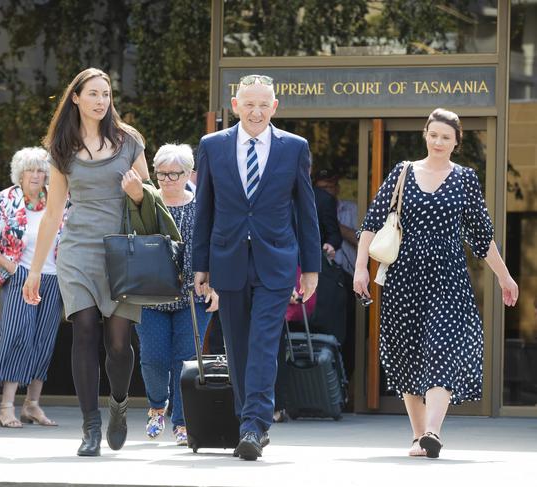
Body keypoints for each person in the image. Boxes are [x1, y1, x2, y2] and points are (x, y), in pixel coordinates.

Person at [353, 108, 519, 459]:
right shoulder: (402, 172)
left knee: (443, 348)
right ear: (425, 135)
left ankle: (432, 430)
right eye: (434, 134)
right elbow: (370, 223)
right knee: (407, 352)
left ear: (457, 142)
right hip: (404, 279)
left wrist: (504, 276)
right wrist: (360, 269)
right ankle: (418, 436)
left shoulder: (465, 179)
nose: (439, 141)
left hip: (448, 278)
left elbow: (482, 236)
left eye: (447, 137)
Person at [22, 67, 150, 456]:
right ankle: (90, 427)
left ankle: (120, 403)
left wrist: (137, 191)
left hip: (122, 250)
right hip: (78, 249)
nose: (101, 101)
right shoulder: (61, 148)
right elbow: (52, 213)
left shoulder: (129, 140)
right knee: (85, 330)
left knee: (118, 344)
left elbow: (151, 199)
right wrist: (34, 271)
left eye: (106, 94)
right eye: (93, 93)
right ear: (75, 98)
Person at [193, 74, 321, 461]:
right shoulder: (212, 146)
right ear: (235, 106)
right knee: (237, 346)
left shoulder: (293, 148)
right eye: (249, 104)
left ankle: (253, 425)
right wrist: (201, 266)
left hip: (277, 261)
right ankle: (247, 420)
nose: (256, 111)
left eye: (264, 104)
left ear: (275, 107)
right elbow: (204, 209)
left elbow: (306, 209)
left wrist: (311, 268)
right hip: (227, 259)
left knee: (264, 342)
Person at [135, 143, 219, 446]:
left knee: (186, 361)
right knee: (153, 358)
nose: (168, 179)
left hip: (192, 297)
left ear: (189, 174)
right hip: (149, 296)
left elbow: (216, 248)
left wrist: (216, 285)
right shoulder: (145, 202)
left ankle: (183, 423)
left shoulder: (203, 206)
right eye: (162, 174)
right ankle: (157, 406)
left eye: (175, 174)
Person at [0, 147, 64, 428]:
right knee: (17, 337)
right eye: (31, 170)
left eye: (42, 170)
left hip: (53, 277)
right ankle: (6, 406)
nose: (37, 175)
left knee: (44, 340)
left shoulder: (58, 199)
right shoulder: (6, 200)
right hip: (20, 277)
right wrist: (15, 270)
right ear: (20, 174)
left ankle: (32, 404)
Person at [314, 169, 358, 378]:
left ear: (337, 188)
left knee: (350, 333)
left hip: (351, 280)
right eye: (322, 189)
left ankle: (347, 380)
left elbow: (364, 240)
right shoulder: (312, 206)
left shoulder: (352, 209)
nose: (327, 193)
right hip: (323, 281)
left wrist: (335, 225)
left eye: (330, 187)